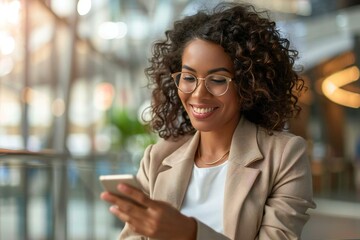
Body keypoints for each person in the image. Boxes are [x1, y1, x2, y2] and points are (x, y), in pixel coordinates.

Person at [100, 2, 316, 239]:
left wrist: (190, 233)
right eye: (188, 77)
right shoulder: (157, 158)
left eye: (218, 79)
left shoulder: (285, 156)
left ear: (248, 85)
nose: (199, 94)